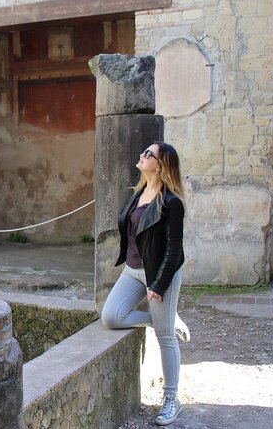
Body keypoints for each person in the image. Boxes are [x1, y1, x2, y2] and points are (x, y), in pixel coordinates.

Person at [101, 141, 190, 426]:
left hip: (161, 273)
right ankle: (165, 319)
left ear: (160, 165)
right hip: (133, 270)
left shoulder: (172, 203)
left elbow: (175, 250)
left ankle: (171, 400)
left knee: (165, 338)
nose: (141, 156)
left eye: (147, 154)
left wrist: (160, 286)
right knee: (112, 316)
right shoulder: (138, 193)